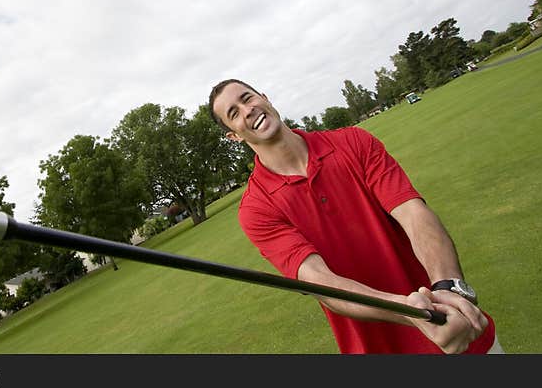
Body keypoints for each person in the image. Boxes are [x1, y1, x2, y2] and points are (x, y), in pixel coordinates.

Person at [208, 78, 501, 354]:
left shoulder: (354, 142)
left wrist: (448, 288)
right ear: (233, 136)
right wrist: (412, 312)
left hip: (456, 326)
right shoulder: (256, 209)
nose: (248, 111)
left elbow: (412, 213)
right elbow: (320, 281)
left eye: (248, 98)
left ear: (265, 98)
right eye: (234, 113)